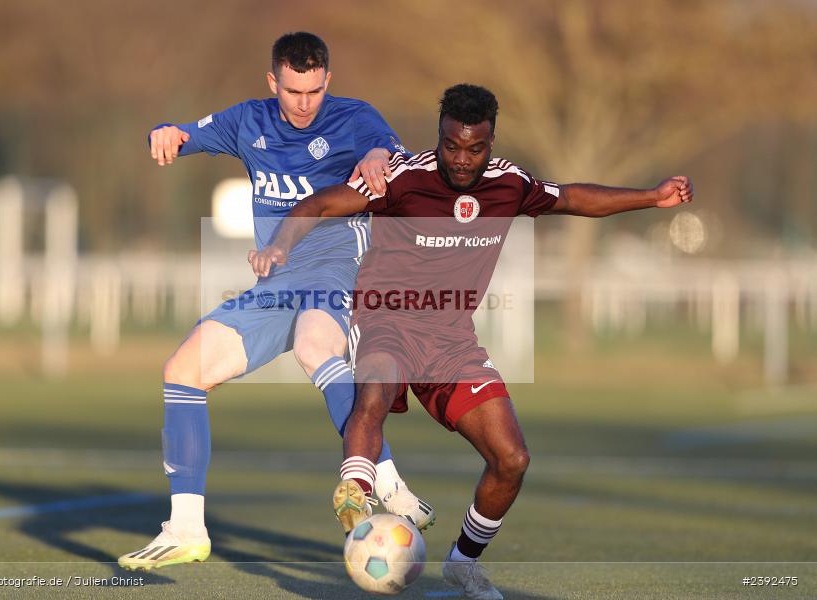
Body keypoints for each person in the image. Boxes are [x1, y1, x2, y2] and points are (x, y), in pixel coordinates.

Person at [249, 83, 694, 599]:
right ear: (439, 136)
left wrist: (652, 197)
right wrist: (280, 243)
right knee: (372, 393)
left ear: (491, 141)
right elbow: (324, 203)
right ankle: (355, 491)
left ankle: (463, 563)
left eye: (474, 149)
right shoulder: (402, 177)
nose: (461, 160)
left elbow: (571, 197)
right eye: (451, 146)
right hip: (385, 321)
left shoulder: (509, 184)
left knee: (512, 459)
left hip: (451, 342)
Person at [118, 32, 434, 572]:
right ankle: (186, 530)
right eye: (292, 91)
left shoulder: (355, 118)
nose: (304, 102)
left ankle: (385, 478)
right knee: (183, 370)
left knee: (316, 345)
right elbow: (184, 134)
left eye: (313, 90)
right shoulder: (249, 120)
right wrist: (163, 133)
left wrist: (381, 156)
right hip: (276, 280)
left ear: (327, 81)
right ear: (273, 82)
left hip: (340, 268)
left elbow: (384, 147)